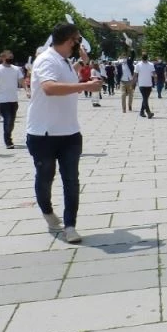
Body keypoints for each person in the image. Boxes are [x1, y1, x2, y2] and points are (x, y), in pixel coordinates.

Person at [27, 23, 103, 243]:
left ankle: (70, 225)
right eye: (78, 39)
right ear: (70, 39)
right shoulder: (46, 59)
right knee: (45, 178)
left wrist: (82, 64)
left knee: (71, 180)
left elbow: (69, 75)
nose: (79, 43)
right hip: (44, 133)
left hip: (70, 132)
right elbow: (50, 88)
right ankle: (48, 212)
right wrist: (85, 87)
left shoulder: (65, 62)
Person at [0, 51, 23, 149]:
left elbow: (21, 81)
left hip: (14, 99)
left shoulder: (16, 69)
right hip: (3, 100)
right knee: (8, 120)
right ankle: (8, 141)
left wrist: (28, 90)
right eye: (9, 57)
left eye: (12, 57)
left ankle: (8, 135)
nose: (11, 59)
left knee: (11, 121)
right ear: (3, 58)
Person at [134, 53, 156, 118]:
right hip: (142, 84)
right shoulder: (138, 65)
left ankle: (141, 112)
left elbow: (154, 73)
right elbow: (135, 74)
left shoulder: (151, 65)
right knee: (145, 98)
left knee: (145, 99)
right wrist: (133, 83)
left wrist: (155, 79)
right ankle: (148, 112)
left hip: (149, 84)